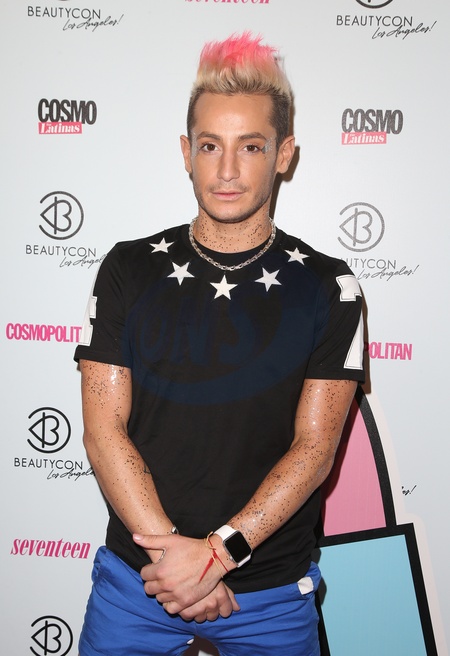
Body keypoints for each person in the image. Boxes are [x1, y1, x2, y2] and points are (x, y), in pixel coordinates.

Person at [75, 32, 364, 656]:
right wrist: (178, 565)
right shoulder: (128, 269)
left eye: (250, 146)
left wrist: (214, 556)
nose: (227, 170)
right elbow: (103, 431)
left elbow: (315, 449)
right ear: (187, 152)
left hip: (269, 593)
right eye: (210, 146)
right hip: (141, 582)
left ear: (283, 154)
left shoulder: (330, 286)